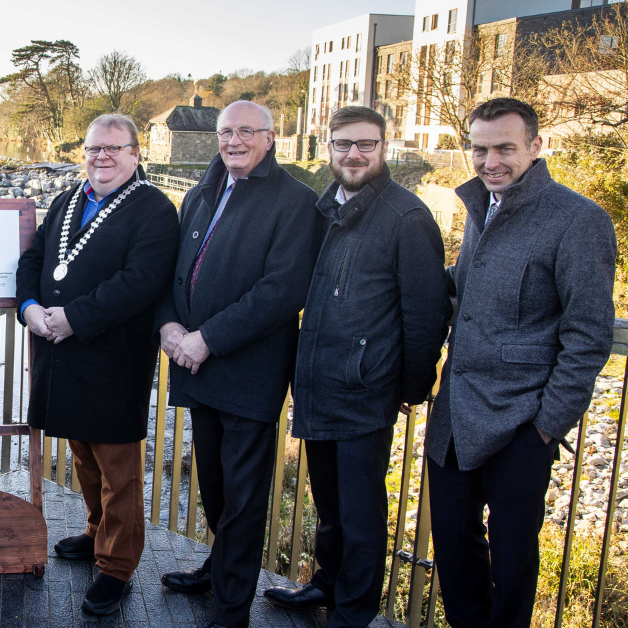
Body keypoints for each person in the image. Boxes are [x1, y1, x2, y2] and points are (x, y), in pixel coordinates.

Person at [426, 97, 616, 628]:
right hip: (456, 412)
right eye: (481, 149)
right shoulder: (479, 207)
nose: (491, 161)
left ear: (536, 146)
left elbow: (588, 335)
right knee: (454, 547)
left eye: (505, 148)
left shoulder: (579, 220)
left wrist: (546, 426)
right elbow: (466, 289)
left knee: (512, 563)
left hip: (522, 423)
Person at [262, 106, 451, 626]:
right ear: (328, 149)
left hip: (367, 389)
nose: (354, 154)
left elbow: (426, 312)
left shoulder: (406, 217)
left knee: (362, 512)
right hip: (320, 381)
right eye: (344, 144)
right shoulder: (325, 210)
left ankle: (355, 610)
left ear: (384, 148)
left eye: (366, 144)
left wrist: (409, 388)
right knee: (330, 503)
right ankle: (326, 584)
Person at [153, 100, 320, 628]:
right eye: (227, 132)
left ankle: (230, 611)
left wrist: (208, 338)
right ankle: (217, 567)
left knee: (245, 498)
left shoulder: (296, 201)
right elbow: (174, 271)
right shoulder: (202, 192)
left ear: (271, 138)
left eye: (247, 132)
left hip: (248, 372)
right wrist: (169, 325)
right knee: (216, 486)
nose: (234, 141)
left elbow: (282, 290)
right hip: (196, 364)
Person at [16, 114, 180, 615]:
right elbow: (32, 259)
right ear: (82, 153)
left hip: (113, 359)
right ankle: (95, 531)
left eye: (114, 148)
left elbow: (140, 282)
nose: (102, 157)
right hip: (60, 351)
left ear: (136, 154)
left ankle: (117, 566)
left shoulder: (154, 210)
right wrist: (29, 308)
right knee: (83, 454)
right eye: (93, 149)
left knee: (118, 469)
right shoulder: (68, 199)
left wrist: (72, 318)